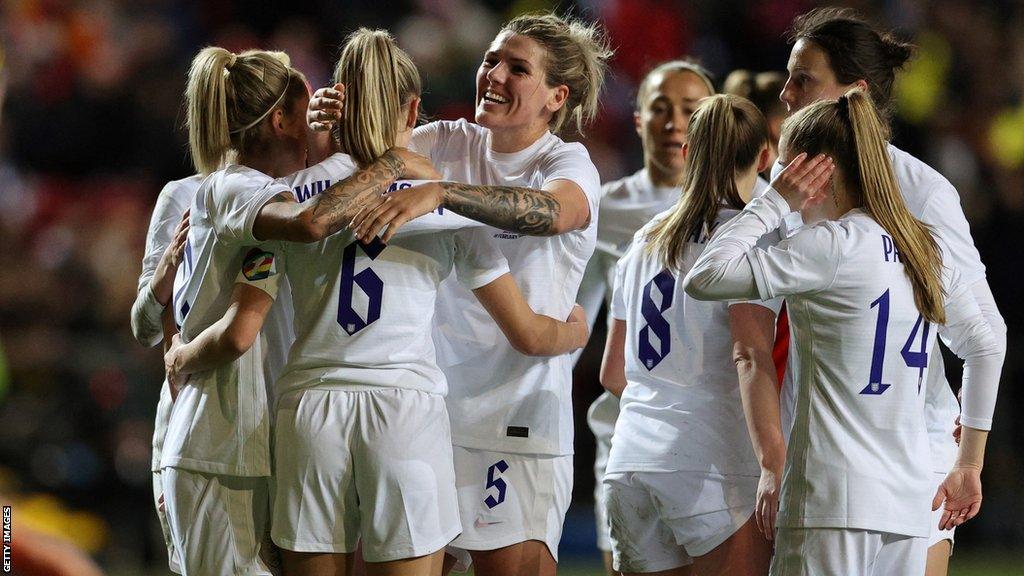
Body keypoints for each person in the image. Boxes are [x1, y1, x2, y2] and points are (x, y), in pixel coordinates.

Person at [168, 30, 590, 576]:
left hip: (309, 408)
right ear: (414, 109)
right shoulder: (443, 201)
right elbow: (530, 333)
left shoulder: (292, 195)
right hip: (405, 408)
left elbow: (248, 304)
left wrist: (325, 150)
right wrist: (576, 329)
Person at [308, 13, 613, 575]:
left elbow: (555, 213)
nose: (494, 75)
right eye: (491, 60)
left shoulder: (565, 162)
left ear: (556, 97)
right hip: (424, 417)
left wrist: (442, 192)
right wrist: (329, 127)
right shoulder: (446, 140)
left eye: (517, 68)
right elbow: (369, 157)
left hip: (514, 419)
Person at [684, 89, 1004, 576]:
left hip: (830, 500)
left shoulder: (830, 245)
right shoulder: (925, 246)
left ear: (814, 174)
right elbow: (984, 345)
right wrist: (968, 465)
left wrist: (772, 205)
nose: (780, 181)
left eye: (787, 171)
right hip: (910, 503)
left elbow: (705, 276)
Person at [770, 9, 1007, 574]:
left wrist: (966, 460)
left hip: (907, 457)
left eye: (804, 79)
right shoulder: (786, 186)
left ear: (856, 93)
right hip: (821, 453)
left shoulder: (919, 192)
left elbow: (983, 336)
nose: (785, 94)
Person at [600, 94, 774, 576]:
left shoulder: (642, 240)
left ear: (688, 152)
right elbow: (750, 356)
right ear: (764, 158)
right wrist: (775, 462)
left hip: (630, 458)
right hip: (712, 465)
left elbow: (613, 372)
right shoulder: (751, 237)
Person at [572, 59, 716, 576]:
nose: (675, 122)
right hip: (627, 429)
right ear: (638, 120)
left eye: (690, 109)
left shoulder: (748, 206)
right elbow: (574, 321)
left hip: (715, 437)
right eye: (660, 108)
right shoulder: (604, 208)